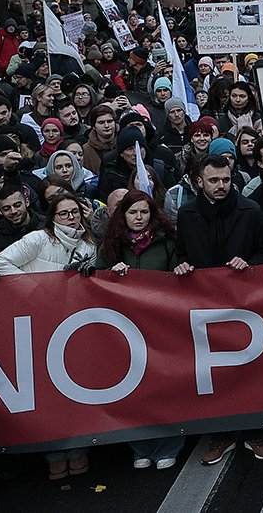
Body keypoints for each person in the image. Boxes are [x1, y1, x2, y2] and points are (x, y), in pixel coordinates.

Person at [173, 154, 263, 465]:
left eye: (226, 180)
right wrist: (182, 264)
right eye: (214, 180)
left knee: (250, 370)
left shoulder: (251, 211)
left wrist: (250, 263)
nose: (221, 186)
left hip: (246, 307)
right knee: (214, 373)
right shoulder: (187, 214)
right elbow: (180, 251)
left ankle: (255, 432)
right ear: (198, 181)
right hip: (204, 307)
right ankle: (223, 434)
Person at [0, 192, 97, 479]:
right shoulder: (38, 239)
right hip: (36, 322)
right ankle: (53, 454)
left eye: (75, 212)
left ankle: (78, 450)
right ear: (52, 217)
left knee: (73, 389)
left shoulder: (88, 245)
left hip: (71, 324)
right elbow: (0, 264)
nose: (71, 217)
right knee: (45, 391)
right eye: (64, 213)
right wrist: (43, 287)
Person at [93, 190, 186, 469]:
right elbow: (94, 282)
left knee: (164, 388)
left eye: (144, 212)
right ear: (123, 215)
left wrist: (180, 270)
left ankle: (169, 445)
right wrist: (110, 274)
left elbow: (179, 282)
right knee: (135, 391)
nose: (138, 217)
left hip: (160, 328)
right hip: (125, 330)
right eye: (133, 212)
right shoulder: (110, 246)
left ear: (152, 214)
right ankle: (141, 447)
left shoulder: (168, 242)